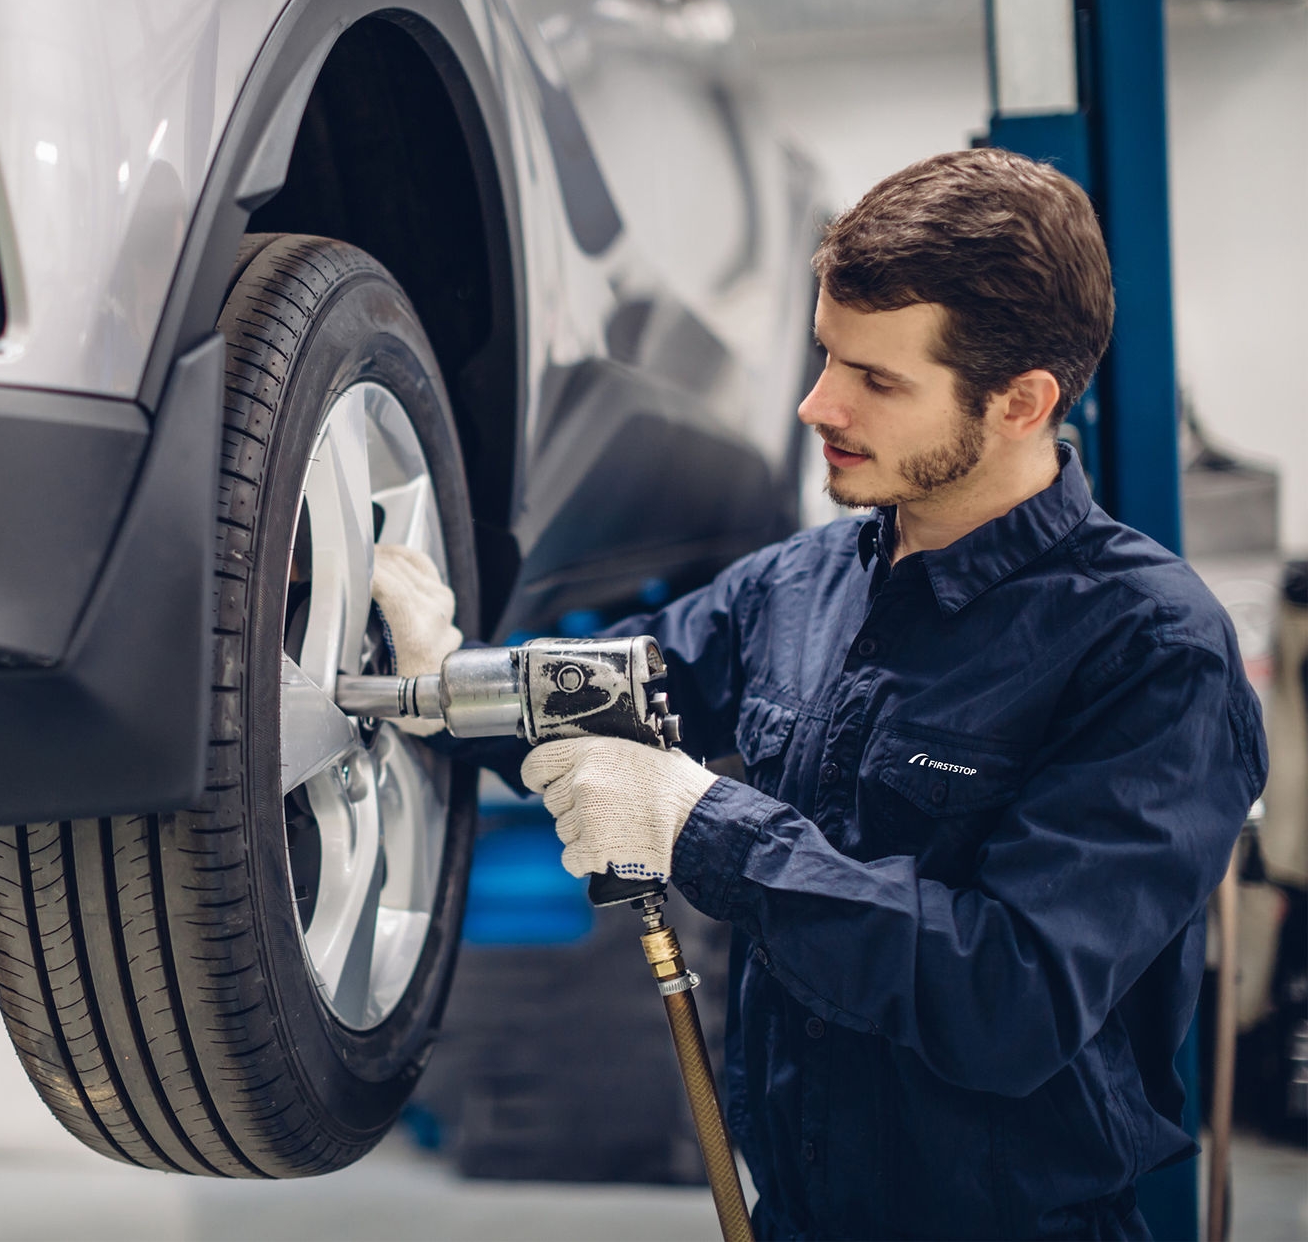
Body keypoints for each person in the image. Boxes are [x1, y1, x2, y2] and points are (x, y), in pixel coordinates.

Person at [371, 150, 1266, 1239]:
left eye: (876, 381)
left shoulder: (1150, 650)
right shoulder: (793, 586)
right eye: (825, 356)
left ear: (1020, 401)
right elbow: (606, 703)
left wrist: (704, 828)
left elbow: (1009, 999)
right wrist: (449, 675)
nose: (813, 404)